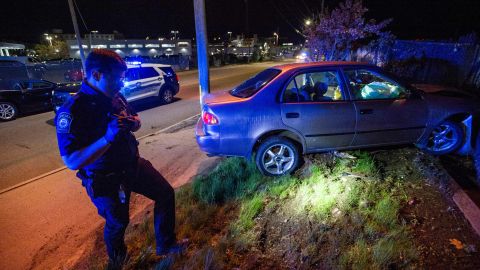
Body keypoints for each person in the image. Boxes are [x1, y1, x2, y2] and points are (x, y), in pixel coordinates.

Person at [55, 49, 184, 269]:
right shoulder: (73, 110)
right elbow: (72, 160)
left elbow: (134, 118)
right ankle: (118, 263)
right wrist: (107, 137)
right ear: (96, 75)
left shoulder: (115, 95)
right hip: (106, 179)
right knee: (118, 223)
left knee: (165, 193)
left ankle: (166, 244)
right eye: (116, 78)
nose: (121, 83)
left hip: (133, 166)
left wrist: (134, 123)